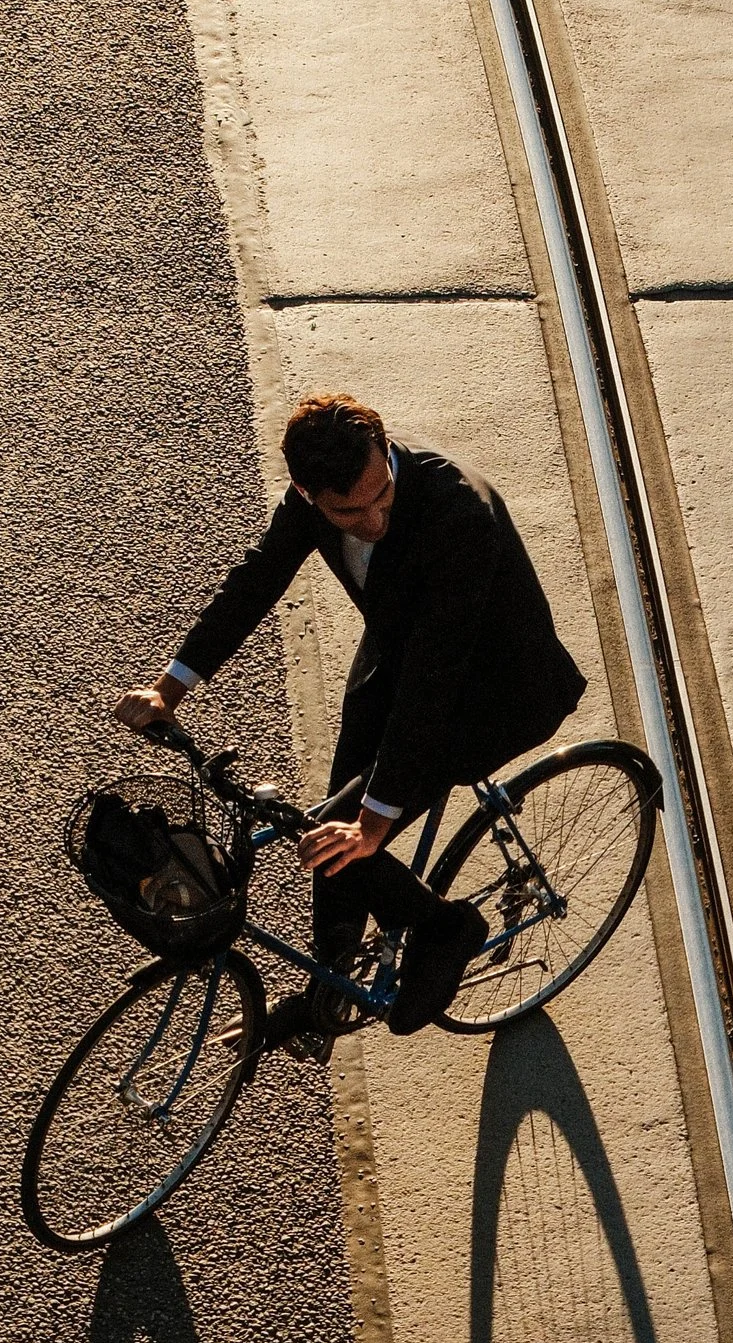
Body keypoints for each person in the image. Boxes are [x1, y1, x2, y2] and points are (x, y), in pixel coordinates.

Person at [115, 394, 586, 1059]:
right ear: (310, 495)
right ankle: (329, 996)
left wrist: (372, 823)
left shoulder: (458, 515)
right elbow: (254, 583)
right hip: (399, 657)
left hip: (496, 691)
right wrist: (168, 689)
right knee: (327, 836)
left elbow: (433, 682)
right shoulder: (310, 503)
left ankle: (445, 928)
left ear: (385, 451)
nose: (374, 520)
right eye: (349, 513)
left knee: (343, 833)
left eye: (382, 496)